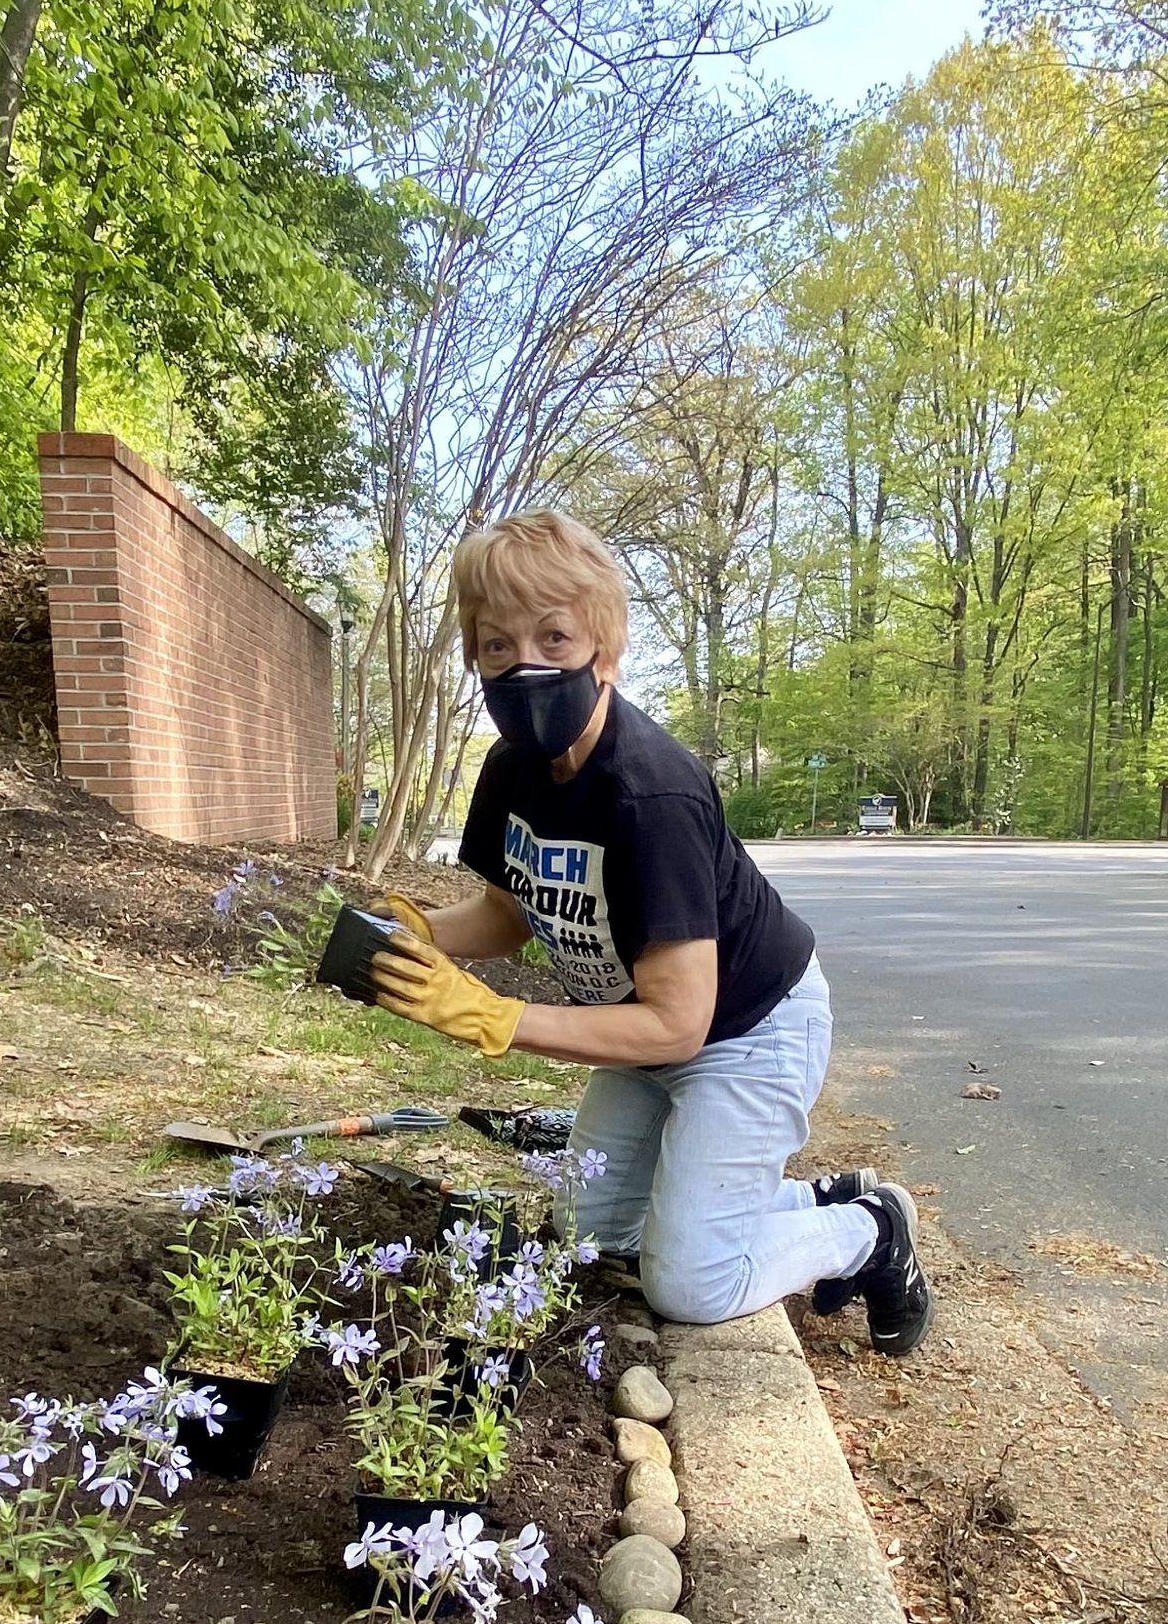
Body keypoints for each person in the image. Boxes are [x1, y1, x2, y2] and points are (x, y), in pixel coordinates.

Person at [367, 510, 932, 1355]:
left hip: (746, 1033)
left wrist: (494, 1019)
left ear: (607, 647)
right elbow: (509, 912)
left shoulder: (649, 793)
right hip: (640, 1041)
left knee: (689, 1282)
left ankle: (869, 1229)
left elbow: (680, 1022)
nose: (525, 664)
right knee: (592, 1234)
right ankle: (800, 1200)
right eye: (495, 644)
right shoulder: (510, 769)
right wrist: (423, 932)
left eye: (554, 637)